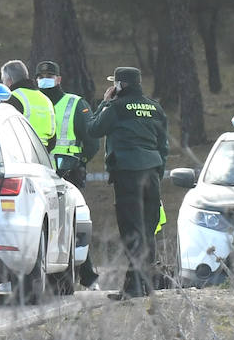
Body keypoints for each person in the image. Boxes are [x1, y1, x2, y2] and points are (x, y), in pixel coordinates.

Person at [86, 66, 168, 300]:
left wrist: (104, 102)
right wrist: (157, 173)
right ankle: (144, 284)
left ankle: (134, 288)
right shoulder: (155, 108)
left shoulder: (116, 107)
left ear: (120, 85)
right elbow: (163, 146)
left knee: (132, 231)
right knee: (148, 231)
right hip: (152, 173)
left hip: (128, 173)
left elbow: (93, 129)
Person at [35, 60, 101, 288]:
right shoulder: (34, 103)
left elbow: (92, 141)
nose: (45, 79)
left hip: (66, 174)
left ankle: (83, 276)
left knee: (70, 226)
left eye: (49, 75)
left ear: (59, 79)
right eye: (42, 75)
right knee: (54, 226)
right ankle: (82, 276)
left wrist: (79, 162)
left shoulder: (74, 104)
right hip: (40, 175)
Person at [0, 59, 56, 151]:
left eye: (3, 80)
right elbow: (53, 139)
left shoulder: (11, 98)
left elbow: (5, 132)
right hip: (44, 155)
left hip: (21, 153)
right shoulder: (46, 99)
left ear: (9, 81)